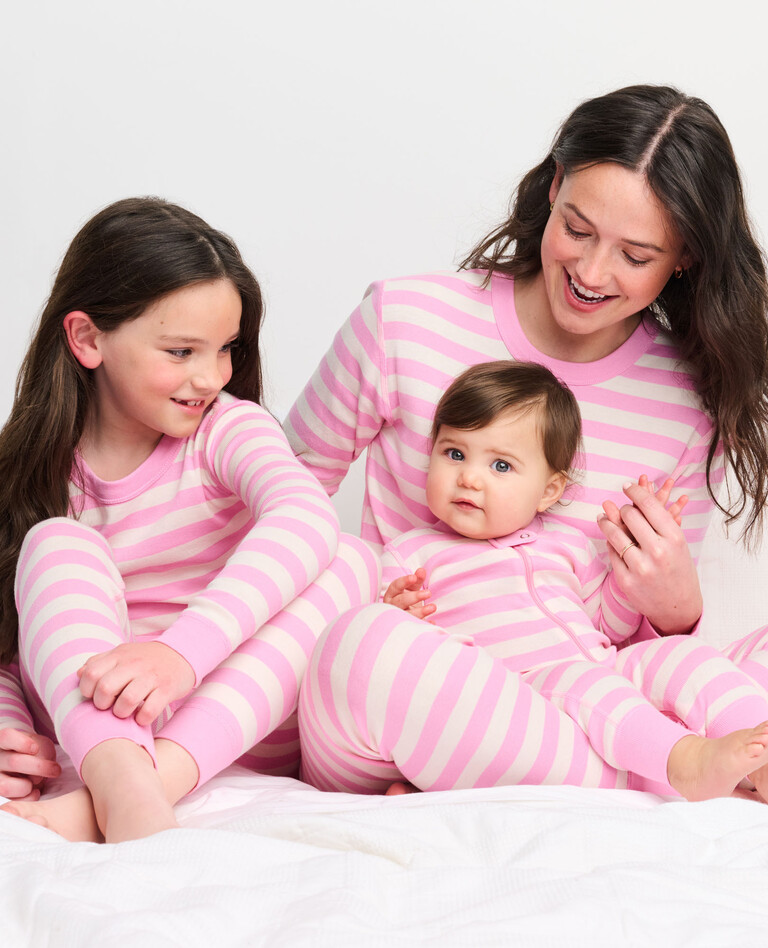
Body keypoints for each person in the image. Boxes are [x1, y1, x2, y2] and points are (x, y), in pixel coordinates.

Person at [284, 83, 768, 652]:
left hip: (575, 709)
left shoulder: (688, 406)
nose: (591, 271)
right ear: (556, 185)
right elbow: (282, 506)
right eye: (577, 230)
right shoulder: (403, 321)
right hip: (401, 683)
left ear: (685, 255)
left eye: (635, 256)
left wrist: (678, 610)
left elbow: (642, 656)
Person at [0, 197, 380, 841]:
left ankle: (136, 794)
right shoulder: (33, 469)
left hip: (231, 724)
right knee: (54, 544)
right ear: (87, 339)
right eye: (180, 351)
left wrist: (179, 657)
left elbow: (304, 516)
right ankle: (119, 775)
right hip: (93, 731)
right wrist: (8, 729)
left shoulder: (228, 429)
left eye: (225, 349)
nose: (210, 377)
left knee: (350, 559)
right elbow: (12, 652)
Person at [297, 361, 768, 800]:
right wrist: (396, 606)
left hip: (605, 668)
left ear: (549, 491)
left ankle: (757, 750)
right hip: (528, 695)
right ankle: (680, 760)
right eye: (454, 453)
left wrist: (634, 565)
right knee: (584, 683)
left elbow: (608, 622)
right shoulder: (412, 552)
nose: (469, 479)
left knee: (683, 654)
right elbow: (408, 649)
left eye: (500, 465)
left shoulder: (568, 546)